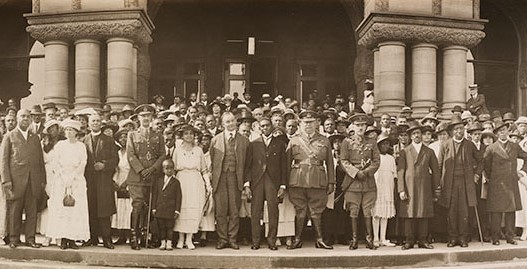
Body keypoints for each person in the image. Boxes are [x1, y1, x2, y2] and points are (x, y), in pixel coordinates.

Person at [286, 110, 335, 250]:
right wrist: (284, 183)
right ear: (300, 124)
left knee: (317, 211)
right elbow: (286, 163)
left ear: (316, 123)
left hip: (317, 180)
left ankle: (319, 239)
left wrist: (331, 182)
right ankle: (297, 239)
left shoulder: (324, 140)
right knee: (300, 210)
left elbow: (330, 163)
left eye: (311, 122)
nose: (308, 125)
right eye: (305, 122)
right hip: (297, 180)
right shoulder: (294, 140)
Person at [0, 109, 46, 249]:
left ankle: (30, 239)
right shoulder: (9, 136)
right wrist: (6, 180)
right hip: (16, 181)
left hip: (33, 181)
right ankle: (14, 239)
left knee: (32, 211)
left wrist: (42, 179)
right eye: (23, 116)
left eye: (28, 117)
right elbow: (3, 160)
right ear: (18, 119)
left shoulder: (35, 137)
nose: (25, 119)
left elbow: (40, 160)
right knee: (15, 211)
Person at [437, 115, 482, 248]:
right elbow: (439, 165)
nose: (459, 131)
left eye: (461, 128)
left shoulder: (469, 144)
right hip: (449, 183)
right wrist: (439, 183)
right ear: (452, 131)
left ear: (464, 129)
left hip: (465, 183)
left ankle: (463, 238)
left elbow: (481, 160)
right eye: (456, 129)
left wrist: (476, 174)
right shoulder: (446, 144)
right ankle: (452, 238)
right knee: (451, 211)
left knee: (464, 211)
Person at [244, 117, 288, 250]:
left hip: (272, 181)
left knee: (273, 211)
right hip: (257, 181)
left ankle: (272, 241)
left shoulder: (279, 143)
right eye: (262, 126)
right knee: (255, 212)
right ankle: (256, 241)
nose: (265, 128)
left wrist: (282, 185)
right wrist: (247, 184)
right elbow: (248, 166)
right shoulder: (253, 143)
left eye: (267, 125)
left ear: (272, 126)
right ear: (259, 128)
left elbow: (284, 166)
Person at [46, 119, 90, 250]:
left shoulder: (81, 146)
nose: (69, 132)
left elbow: (83, 163)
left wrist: (73, 177)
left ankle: (72, 239)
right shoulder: (60, 145)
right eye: (67, 130)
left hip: (77, 181)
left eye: (71, 130)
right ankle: (63, 239)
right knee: (62, 210)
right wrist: (64, 178)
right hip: (61, 180)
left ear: (76, 132)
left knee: (75, 211)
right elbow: (56, 162)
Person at [126, 104, 165, 250]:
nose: (146, 118)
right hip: (137, 177)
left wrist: (153, 168)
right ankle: (134, 237)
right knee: (137, 205)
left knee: (149, 207)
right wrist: (141, 170)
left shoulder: (158, 135)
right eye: (143, 116)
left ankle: (146, 235)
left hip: (153, 176)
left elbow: (162, 154)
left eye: (148, 116)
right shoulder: (132, 134)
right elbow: (130, 155)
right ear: (138, 118)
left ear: (152, 117)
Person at [397, 121, 440, 250]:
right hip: (409, 187)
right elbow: (401, 172)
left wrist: (435, 188)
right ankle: (409, 241)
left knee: (423, 213)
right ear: (410, 136)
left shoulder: (429, 151)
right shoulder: (405, 151)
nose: (417, 135)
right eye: (414, 133)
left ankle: (423, 240)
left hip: (424, 187)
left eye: (419, 133)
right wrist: (401, 189)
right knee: (409, 214)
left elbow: (436, 171)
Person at [484, 118, 527, 246]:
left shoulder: (514, 146)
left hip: (511, 182)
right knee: (496, 212)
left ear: (508, 131)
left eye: (504, 130)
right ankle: (495, 237)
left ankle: (510, 237)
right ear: (496, 134)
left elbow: (526, 157)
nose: (503, 133)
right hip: (496, 183)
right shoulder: (491, 148)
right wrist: (492, 179)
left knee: (510, 211)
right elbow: (486, 166)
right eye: (500, 131)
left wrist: (522, 171)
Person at [210, 112, 249, 249]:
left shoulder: (244, 140)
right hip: (220, 178)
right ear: (222, 124)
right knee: (220, 210)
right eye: (227, 122)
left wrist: (245, 182)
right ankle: (222, 239)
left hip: (235, 177)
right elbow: (212, 161)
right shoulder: (215, 140)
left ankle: (232, 239)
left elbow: (247, 163)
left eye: (232, 121)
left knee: (234, 210)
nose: (231, 123)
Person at [340, 113, 380, 250]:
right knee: (354, 211)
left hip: (368, 182)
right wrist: (356, 172)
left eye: (363, 125)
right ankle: (354, 239)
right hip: (352, 182)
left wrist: (366, 172)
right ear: (352, 126)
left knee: (368, 211)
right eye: (357, 125)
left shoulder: (372, 143)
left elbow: (376, 161)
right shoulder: (346, 142)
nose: (360, 128)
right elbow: (343, 161)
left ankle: (370, 239)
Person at [82, 114, 119, 249]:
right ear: (88, 124)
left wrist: (104, 165)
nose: (95, 123)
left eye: (98, 121)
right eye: (93, 121)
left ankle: (106, 239)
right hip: (89, 180)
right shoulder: (83, 140)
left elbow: (115, 159)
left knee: (104, 210)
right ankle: (92, 238)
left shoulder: (108, 140)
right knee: (91, 208)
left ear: (101, 123)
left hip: (104, 180)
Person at [172, 125, 210, 250]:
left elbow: (204, 169)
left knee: (194, 208)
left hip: (195, 181)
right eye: (186, 133)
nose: (189, 136)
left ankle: (189, 238)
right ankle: (180, 238)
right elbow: (172, 169)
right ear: (182, 136)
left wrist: (208, 184)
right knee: (181, 208)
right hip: (181, 180)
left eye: (191, 133)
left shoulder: (199, 150)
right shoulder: (177, 150)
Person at [38, 119, 64, 247]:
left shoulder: (64, 142)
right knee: (48, 207)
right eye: (50, 128)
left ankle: (58, 236)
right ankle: (47, 236)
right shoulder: (44, 143)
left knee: (59, 206)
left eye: (55, 128)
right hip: (47, 176)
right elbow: (40, 162)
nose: (53, 130)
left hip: (60, 176)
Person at [372, 133, 397, 248]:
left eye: (387, 144)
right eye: (383, 144)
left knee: (385, 214)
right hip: (377, 187)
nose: (385, 146)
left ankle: (383, 238)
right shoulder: (375, 158)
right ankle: (375, 238)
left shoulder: (391, 159)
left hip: (388, 187)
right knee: (376, 214)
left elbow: (394, 175)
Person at [152, 159, 182, 251]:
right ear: (163, 170)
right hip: (160, 208)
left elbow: (179, 197)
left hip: (170, 209)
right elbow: (155, 195)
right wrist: (154, 208)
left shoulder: (176, 182)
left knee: (169, 227)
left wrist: (177, 210)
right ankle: (162, 243)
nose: (169, 170)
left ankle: (169, 243)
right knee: (161, 227)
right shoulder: (159, 181)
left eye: (171, 168)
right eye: (167, 168)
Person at [111, 128, 132, 245]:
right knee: (120, 208)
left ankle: (129, 235)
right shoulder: (117, 153)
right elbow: (116, 168)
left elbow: (134, 169)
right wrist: (115, 182)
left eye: (126, 136)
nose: (123, 139)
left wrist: (126, 182)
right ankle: (121, 236)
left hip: (129, 181)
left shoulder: (132, 152)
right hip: (119, 180)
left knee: (128, 208)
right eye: (121, 137)